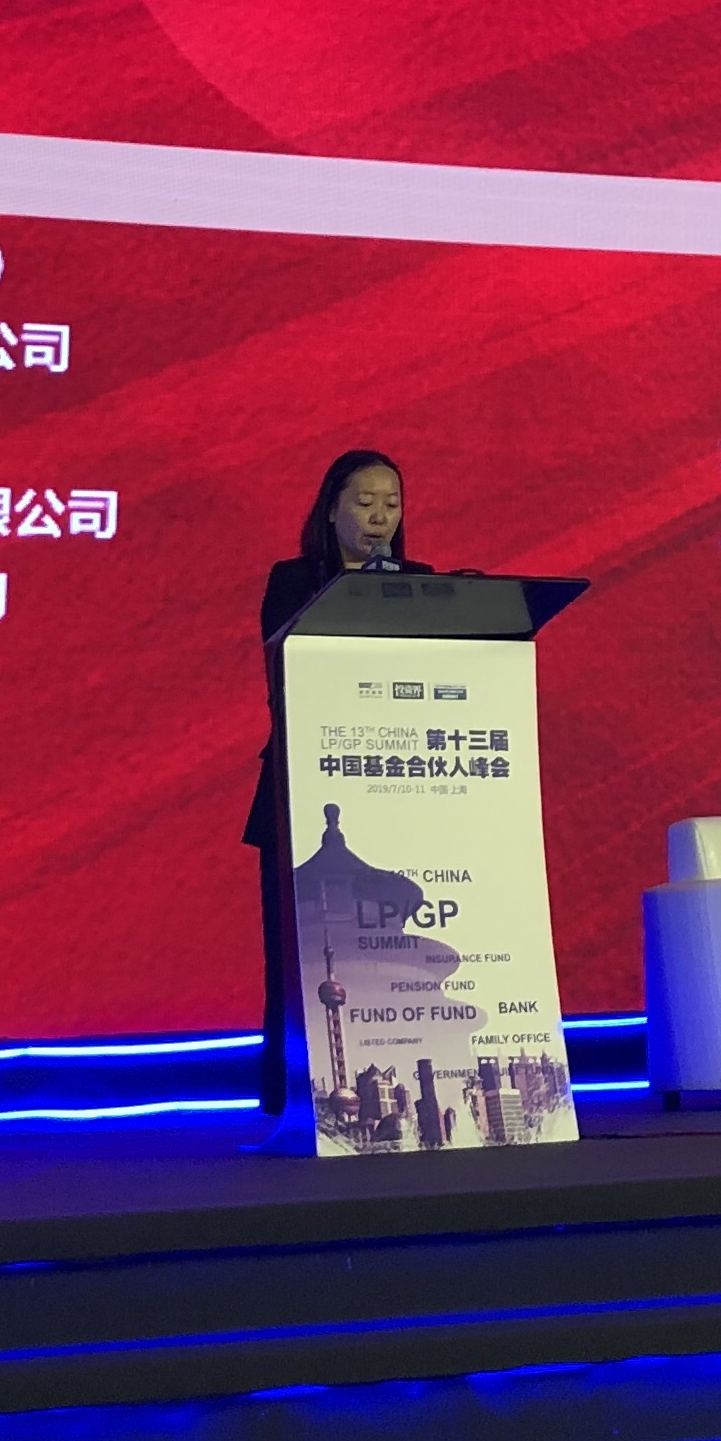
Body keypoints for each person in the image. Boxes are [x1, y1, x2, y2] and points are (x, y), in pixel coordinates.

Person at [247, 449, 413, 1113]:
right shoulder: (293, 581)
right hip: (302, 789)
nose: (379, 516)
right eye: (365, 502)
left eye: (392, 504)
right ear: (331, 510)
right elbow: (286, 665)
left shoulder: (419, 586)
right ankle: (294, 1098)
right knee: (299, 953)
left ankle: (395, 1080)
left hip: (397, 790)